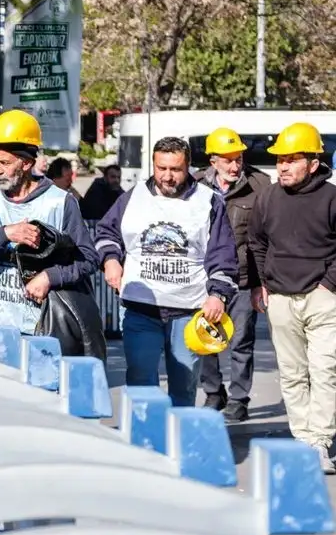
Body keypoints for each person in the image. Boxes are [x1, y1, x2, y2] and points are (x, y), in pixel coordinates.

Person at [94, 136, 237, 408]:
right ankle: (142, 445)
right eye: (161, 168)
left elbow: (223, 254)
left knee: (184, 388)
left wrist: (218, 294)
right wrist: (111, 260)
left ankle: (177, 447)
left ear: (189, 167)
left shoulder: (209, 202)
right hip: (140, 308)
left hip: (189, 311)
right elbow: (106, 232)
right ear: (153, 165)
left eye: (176, 169)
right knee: (140, 383)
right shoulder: (133, 197)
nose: (168, 177)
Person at [0, 109, 104, 359]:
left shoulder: (60, 202)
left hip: (45, 329)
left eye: (5, 163)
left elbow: (89, 259)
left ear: (27, 163)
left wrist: (50, 277)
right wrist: (5, 234)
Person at [248, 122, 336, 473]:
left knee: (325, 369)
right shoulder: (268, 197)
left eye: (291, 159)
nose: (282, 166)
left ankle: (320, 441)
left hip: (323, 297)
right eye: (279, 159)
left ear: (313, 163)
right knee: (292, 373)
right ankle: (303, 438)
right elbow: (256, 242)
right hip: (280, 297)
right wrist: (260, 284)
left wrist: (329, 284)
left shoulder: (331, 198)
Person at [194, 127, 271, 421]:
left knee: (241, 340)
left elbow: (266, 237)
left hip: (243, 278)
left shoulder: (259, 185)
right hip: (205, 278)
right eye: (227, 160)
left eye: (238, 158)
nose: (234, 165)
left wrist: (260, 283)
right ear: (213, 161)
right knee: (205, 339)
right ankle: (214, 393)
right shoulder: (196, 185)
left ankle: (239, 398)